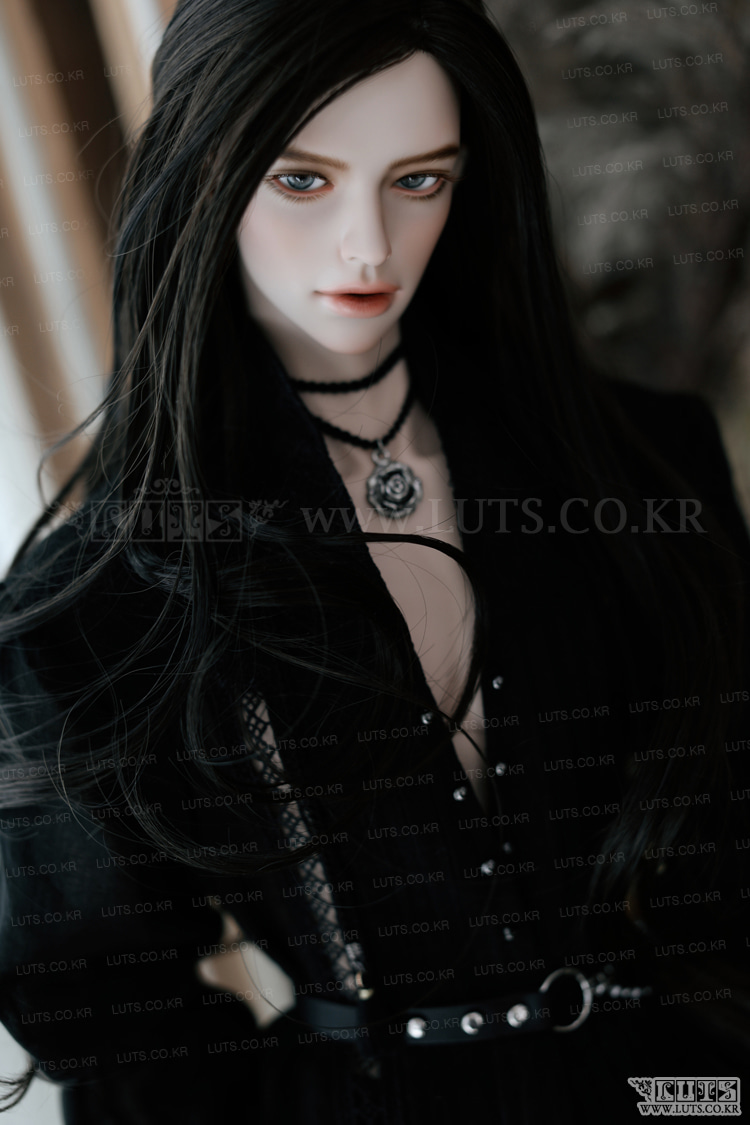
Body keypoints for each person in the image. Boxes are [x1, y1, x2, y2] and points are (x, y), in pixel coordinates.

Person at [1, 1, 749, 1121]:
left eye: (420, 179)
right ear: (205, 177)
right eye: (303, 180)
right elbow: (112, 1021)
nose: (369, 245)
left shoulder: (644, 467)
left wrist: (705, 1094)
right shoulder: (99, 602)